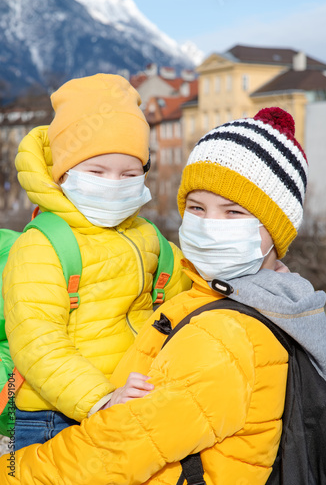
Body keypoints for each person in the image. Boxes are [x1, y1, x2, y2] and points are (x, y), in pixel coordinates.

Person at [2, 107, 326, 484]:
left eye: (233, 212)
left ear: (277, 230)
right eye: (197, 208)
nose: (209, 225)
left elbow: (117, 450)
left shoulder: (223, 336)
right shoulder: (250, 296)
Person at [1, 74, 190, 451]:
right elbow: (38, 343)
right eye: (98, 172)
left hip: (127, 400)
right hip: (57, 416)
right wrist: (100, 398)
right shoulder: (42, 245)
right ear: (63, 173)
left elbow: (186, 288)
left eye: (129, 174)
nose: (114, 183)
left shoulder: (146, 236)